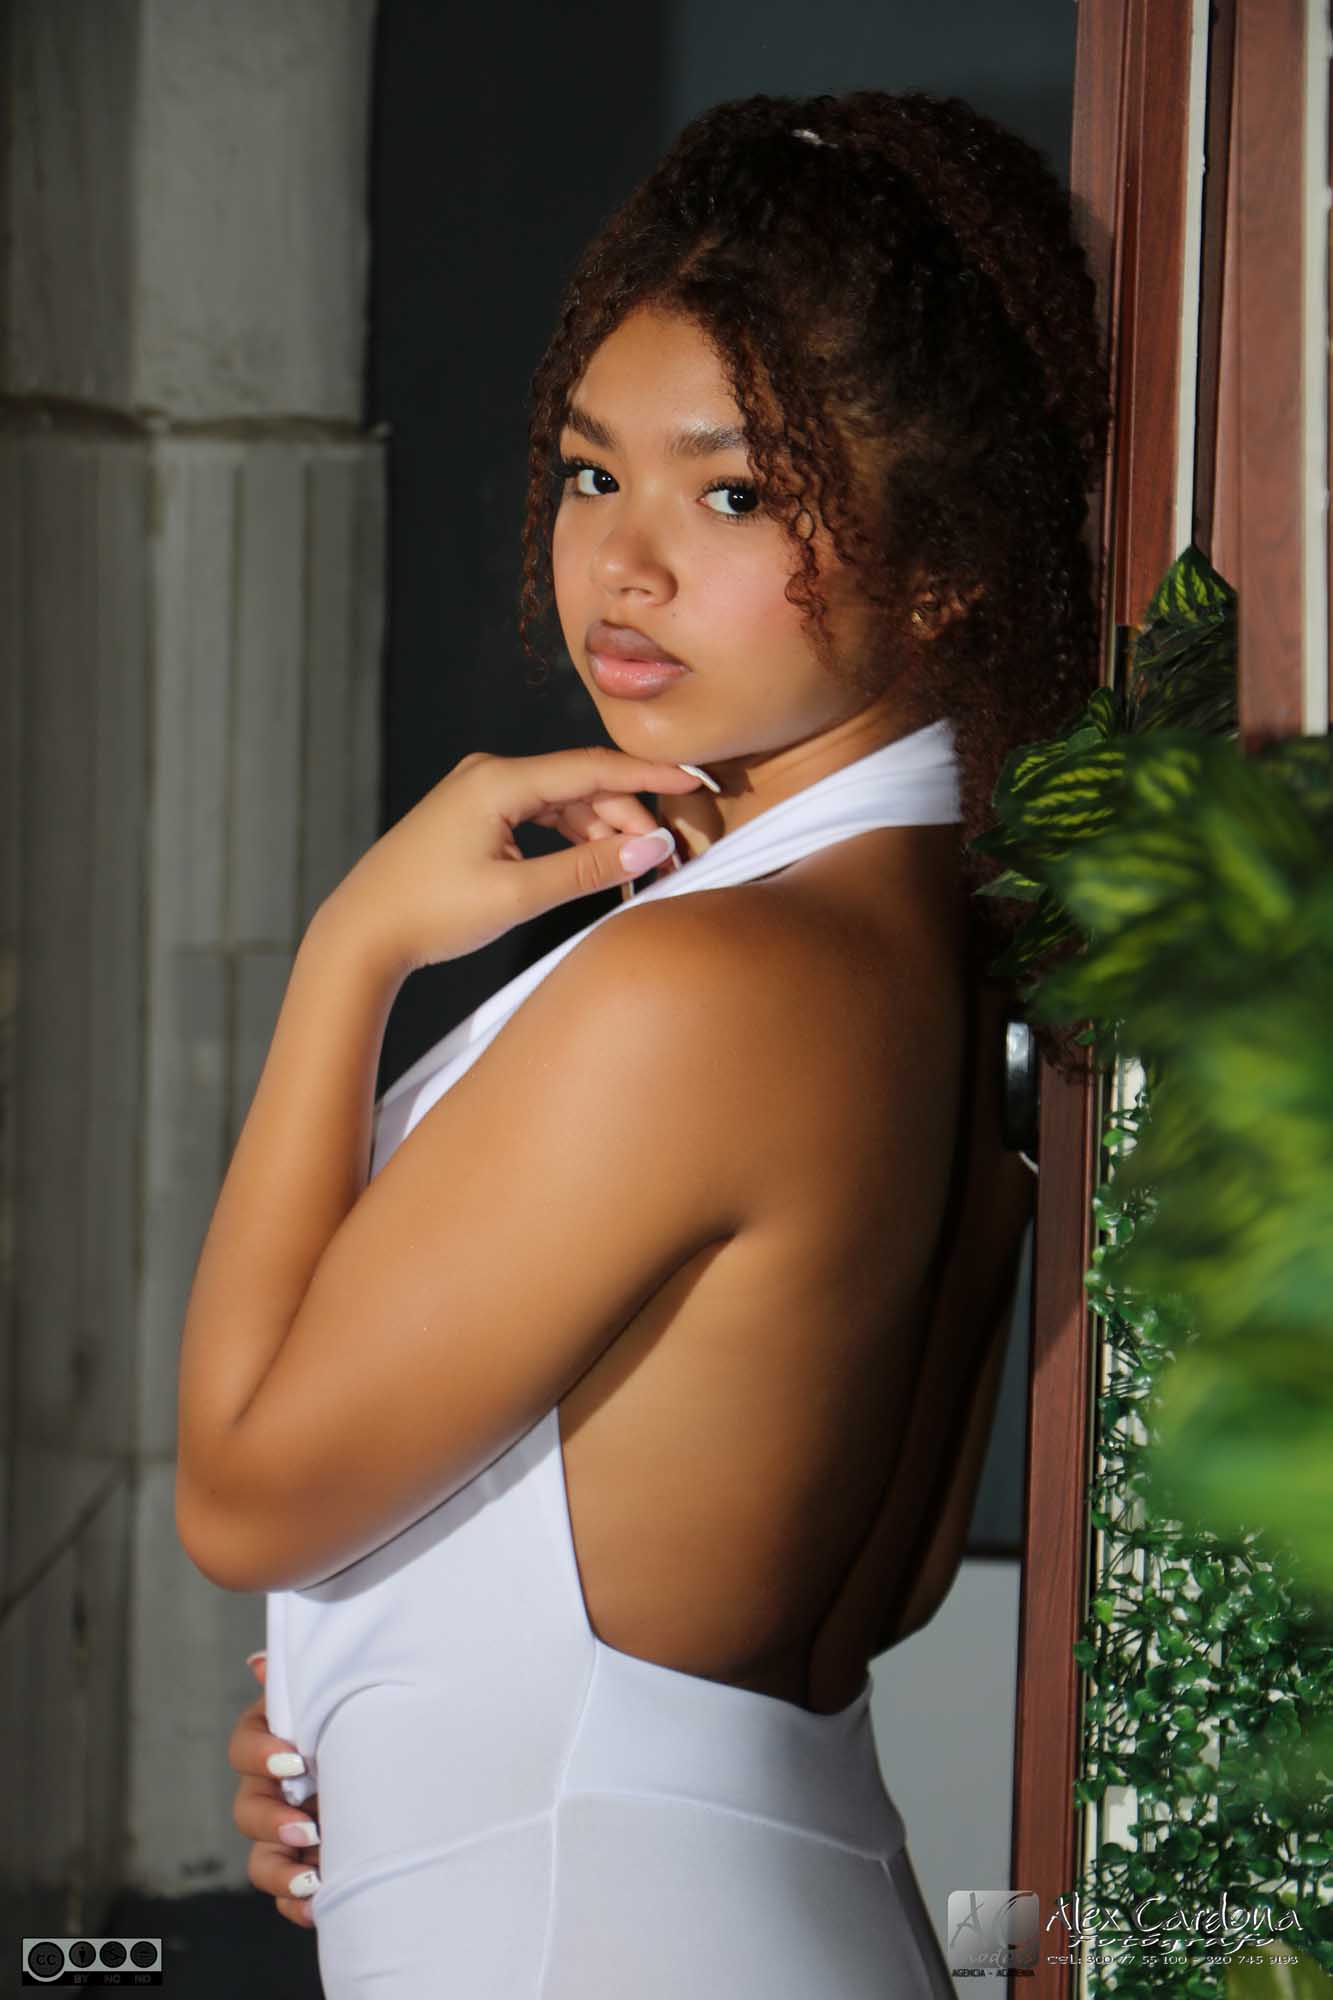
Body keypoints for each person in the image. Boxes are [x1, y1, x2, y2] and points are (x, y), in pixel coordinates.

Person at [179, 86, 1106, 1995]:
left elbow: (245, 1490)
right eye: (592, 473)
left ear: (943, 561)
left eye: (735, 493)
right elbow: (840, 1579)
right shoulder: (929, 939)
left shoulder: (708, 987)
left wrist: (351, 952)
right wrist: (396, 1727)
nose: (626, 565)